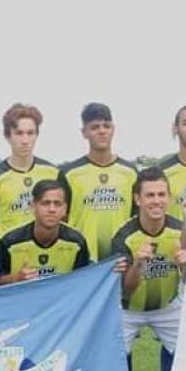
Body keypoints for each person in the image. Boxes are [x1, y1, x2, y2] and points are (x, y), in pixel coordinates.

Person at [112, 168, 186, 371]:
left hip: (168, 306)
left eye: (161, 195)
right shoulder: (124, 236)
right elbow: (126, 288)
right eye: (150, 195)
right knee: (113, 356)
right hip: (128, 308)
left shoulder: (180, 231)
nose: (156, 201)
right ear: (137, 199)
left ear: (169, 197)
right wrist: (139, 263)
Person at [59, 103, 137, 261]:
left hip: (121, 257)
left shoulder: (130, 172)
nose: (102, 131)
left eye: (106, 126)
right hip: (82, 259)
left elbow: (137, 216)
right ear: (84, 133)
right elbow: (61, 218)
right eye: (95, 127)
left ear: (113, 129)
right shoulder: (69, 173)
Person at [0, 104, 60, 250]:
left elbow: (63, 216)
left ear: (37, 135)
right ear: (7, 136)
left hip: (48, 255)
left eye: (30, 133)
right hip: (11, 256)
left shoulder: (52, 173)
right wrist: (4, 254)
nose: (25, 140)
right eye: (19, 133)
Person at [0, 180, 89, 286]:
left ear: (65, 209)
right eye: (45, 203)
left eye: (57, 204)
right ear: (33, 206)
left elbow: (84, 282)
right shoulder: (10, 242)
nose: (52, 209)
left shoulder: (77, 242)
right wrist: (15, 278)